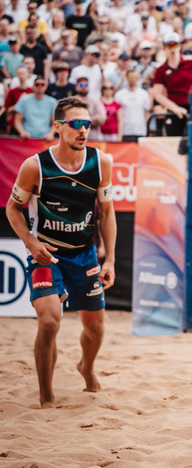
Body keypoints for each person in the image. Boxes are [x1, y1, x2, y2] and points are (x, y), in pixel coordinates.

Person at [6, 95, 117, 407]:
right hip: (47, 254)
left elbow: (107, 213)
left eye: (87, 124)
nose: (84, 129)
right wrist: (31, 243)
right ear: (58, 127)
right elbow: (13, 209)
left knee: (96, 328)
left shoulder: (101, 162)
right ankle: (46, 396)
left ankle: (87, 368)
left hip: (84, 254)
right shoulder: (35, 166)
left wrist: (109, 258)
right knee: (50, 321)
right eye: (76, 124)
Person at [150, 32, 192, 136]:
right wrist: (174, 108)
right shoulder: (161, 69)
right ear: (165, 48)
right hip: (174, 109)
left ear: (179, 46)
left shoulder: (191, 62)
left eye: (175, 45)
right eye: (169, 45)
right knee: (175, 143)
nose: (172, 49)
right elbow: (157, 94)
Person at [13, 76, 57, 141]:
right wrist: (22, 132)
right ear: (33, 86)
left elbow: (55, 121)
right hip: (27, 139)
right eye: (37, 84)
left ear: (46, 86)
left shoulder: (52, 102)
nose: (40, 86)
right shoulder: (24, 100)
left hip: (45, 139)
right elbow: (17, 120)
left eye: (42, 84)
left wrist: (51, 134)